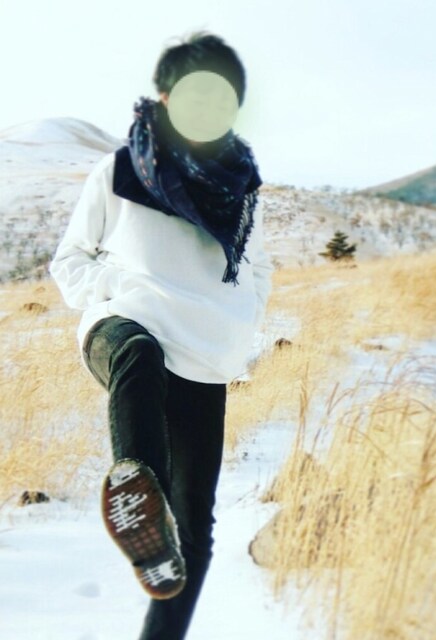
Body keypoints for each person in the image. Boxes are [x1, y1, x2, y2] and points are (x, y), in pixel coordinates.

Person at [49, 30, 273, 640]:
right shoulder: (120, 171)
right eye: (197, 92)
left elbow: (258, 267)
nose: (210, 105)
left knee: (193, 533)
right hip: (126, 326)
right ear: (166, 97)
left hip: (204, 352)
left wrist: (242, 316)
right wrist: (115, 291)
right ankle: (136, 491)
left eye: (223, 96)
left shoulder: (241, 190)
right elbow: (70, 259)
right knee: (138, 352)